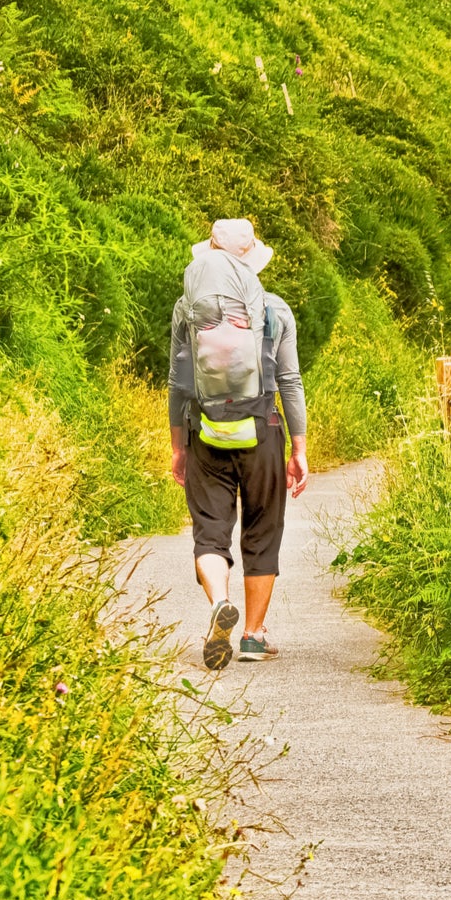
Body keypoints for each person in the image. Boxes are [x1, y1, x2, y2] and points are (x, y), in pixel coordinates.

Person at [168, 219, 309, 670]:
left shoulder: (185, 310)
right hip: (262, 428)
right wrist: (299, 448)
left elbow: (178, 384)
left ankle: (217, 606)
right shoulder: (275, 310)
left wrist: (178, 446)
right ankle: (251, 635)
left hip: (205, 430)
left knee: (210, 529)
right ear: (253, 259)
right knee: (262, 529)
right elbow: (289, 381)